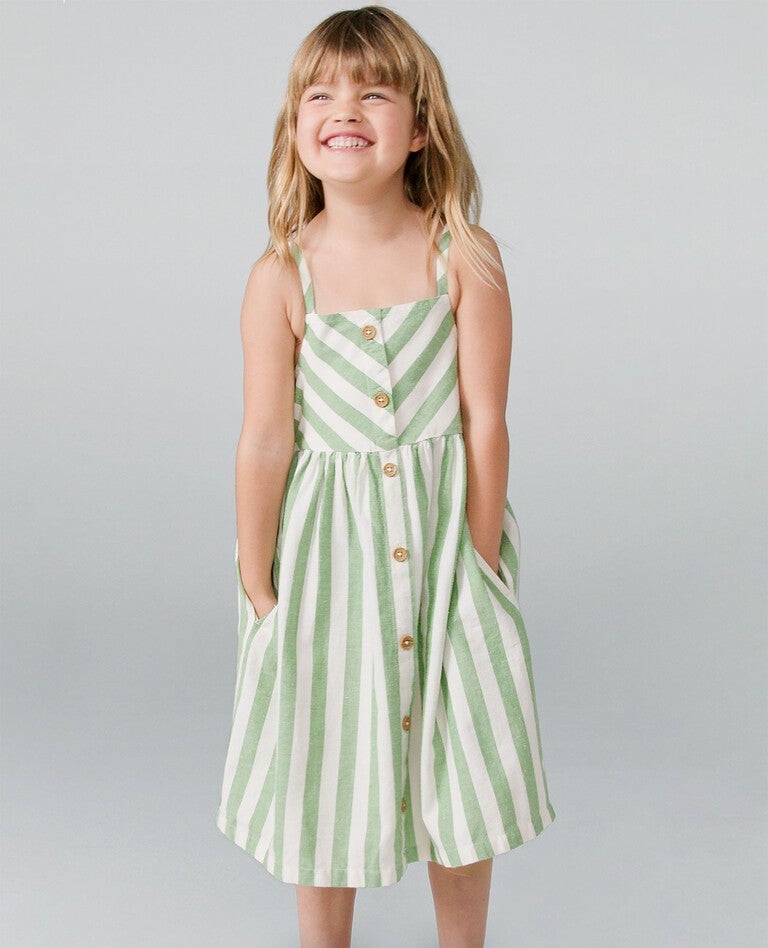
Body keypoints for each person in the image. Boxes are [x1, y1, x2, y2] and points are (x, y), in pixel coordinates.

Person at [214, 5, 556, 945]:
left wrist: (479, 559)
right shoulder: (280, 277)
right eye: (320, 95)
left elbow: (485, 422)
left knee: (462, 762)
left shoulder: (463, 257)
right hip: (330, 562)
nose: (344, 110)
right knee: (326, 761)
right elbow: (265, 438)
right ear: (295, 128)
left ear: (420, 128)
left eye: (373, 93)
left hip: (449, 550)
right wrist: (258, 581)